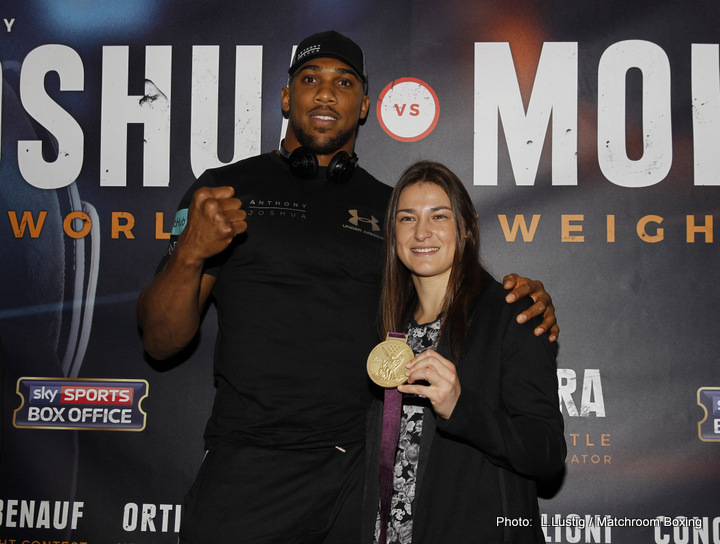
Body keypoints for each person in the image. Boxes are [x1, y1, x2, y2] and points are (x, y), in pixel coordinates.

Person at [137, 31, 558, 543]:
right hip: (250, 462)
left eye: (344, 82)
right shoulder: (223, 191)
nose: (325, 93)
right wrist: (190, 253)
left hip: (360, 471)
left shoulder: (390, 211)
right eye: (310, 79)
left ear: (363, 104)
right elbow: (161, 342)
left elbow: (450, 292)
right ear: (288, 96)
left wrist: (523, 297)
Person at [361, 161, 566, 544]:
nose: (421, 232)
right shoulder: (384, 324)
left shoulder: (513, 313)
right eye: (407, 218)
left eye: (439, 216)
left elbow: (547, 454)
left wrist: (461, 407)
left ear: (466, 226)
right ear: (393, 232)